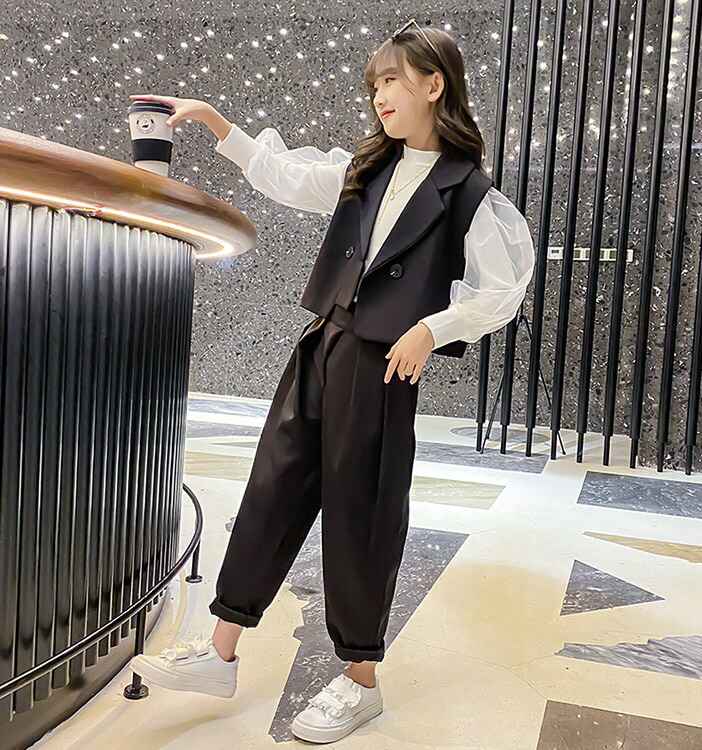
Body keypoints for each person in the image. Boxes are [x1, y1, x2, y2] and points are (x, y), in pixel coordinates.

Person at [127, 19, 535, 745]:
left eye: (392, 80)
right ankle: (219, 653)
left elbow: (503, 287)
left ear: (433, 84)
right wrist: (218, 123)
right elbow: (286, 176)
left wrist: (433, 328)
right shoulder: (365, 168)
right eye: (374, 84)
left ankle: (361, 681)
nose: (379, 95)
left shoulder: (469, 193)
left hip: (383, 365)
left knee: (361, 515)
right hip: (325, 343)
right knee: (273, 488)